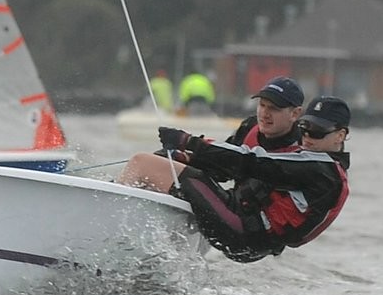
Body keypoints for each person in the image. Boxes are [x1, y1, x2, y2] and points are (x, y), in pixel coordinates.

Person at [117, 96, 351, 263]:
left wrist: (189, 141)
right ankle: (146, 255)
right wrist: (189, 157)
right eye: (305, 128)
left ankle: (112, 234)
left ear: (340, 135)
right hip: (250, 239)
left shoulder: (322, 170)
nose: (308, 137)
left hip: (242, 231)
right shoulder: (317, 165)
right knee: (166, 164)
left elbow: (250, 162)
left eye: (318, 131)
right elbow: (241, 171)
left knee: (142, 162)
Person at [226, 76, 305, 151]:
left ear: (295, 114)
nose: (264, 114)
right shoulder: (247, 128)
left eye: (274, 108)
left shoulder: (307, 142)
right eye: (262, 105)